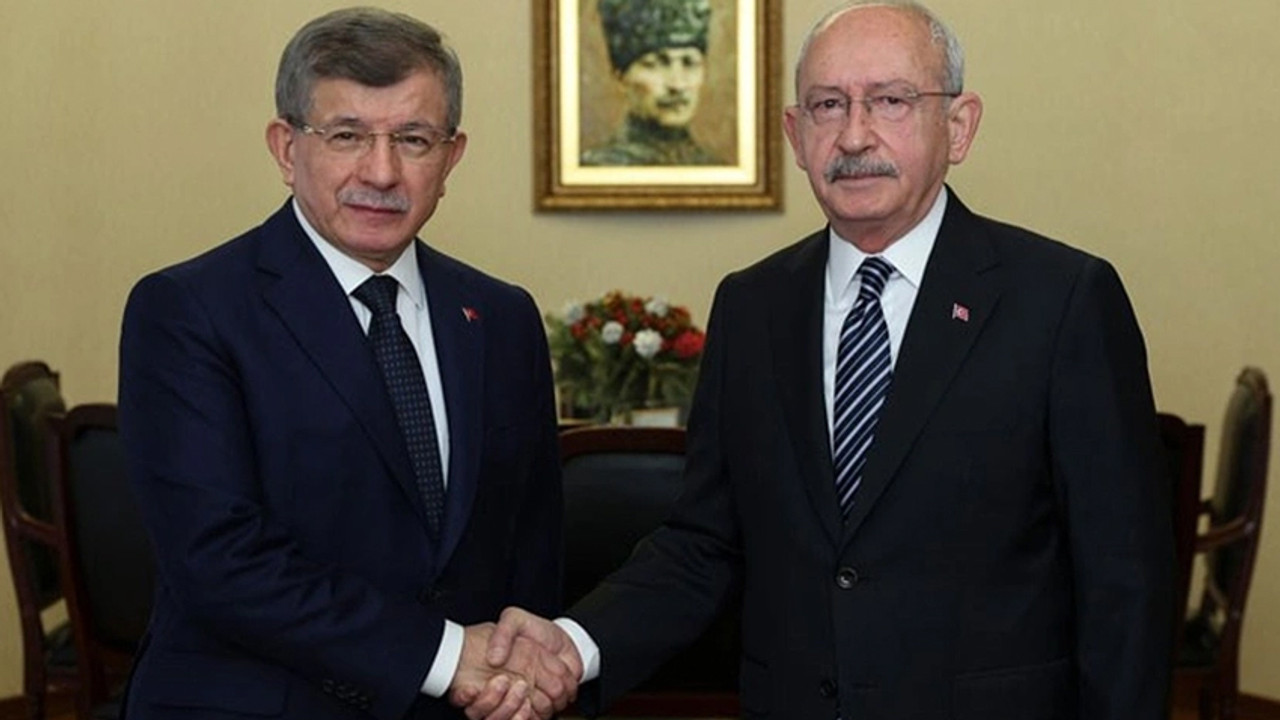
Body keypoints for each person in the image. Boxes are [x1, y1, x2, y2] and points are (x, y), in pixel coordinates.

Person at [477, 1, 1174, 718]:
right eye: (828, 105)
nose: (854, 134)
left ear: (959, 126)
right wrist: (575, 646)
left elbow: (1125, 578)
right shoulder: (752, 306)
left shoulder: (1062, 301)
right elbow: (705, 542)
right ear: (795, 134)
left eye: (891, 101)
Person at [118, 8, 573, 720]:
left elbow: (532, 547)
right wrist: (445, 657)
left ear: (451, 157)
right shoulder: (188, 311)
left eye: (413, 140)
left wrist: (518, 679)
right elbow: (219, 560)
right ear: (285, 148)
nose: (381, 172)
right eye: (346, 136)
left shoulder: (501, 316)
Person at [581, 0, 722, 166]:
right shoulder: (597, 168)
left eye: (689, 63)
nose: (677, 85)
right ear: (621, 79)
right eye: (655, 64)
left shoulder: (716, 169)